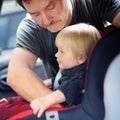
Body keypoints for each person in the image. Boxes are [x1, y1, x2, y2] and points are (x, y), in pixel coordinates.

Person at [7, 0, 120, 103]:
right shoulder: (31, 28)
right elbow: (16, 74)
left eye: (50, 7)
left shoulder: (92, 3)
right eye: (35, 14)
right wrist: (64, 111)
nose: (46, 20)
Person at [30, 23, 101, 118]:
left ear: (81, 58)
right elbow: (65, 78)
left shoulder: (81, 76)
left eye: (61, 51)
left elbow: (68, 88)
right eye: (58, 50)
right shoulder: (74, 69)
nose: (56, 55)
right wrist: (50, 82)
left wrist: (46, 100)